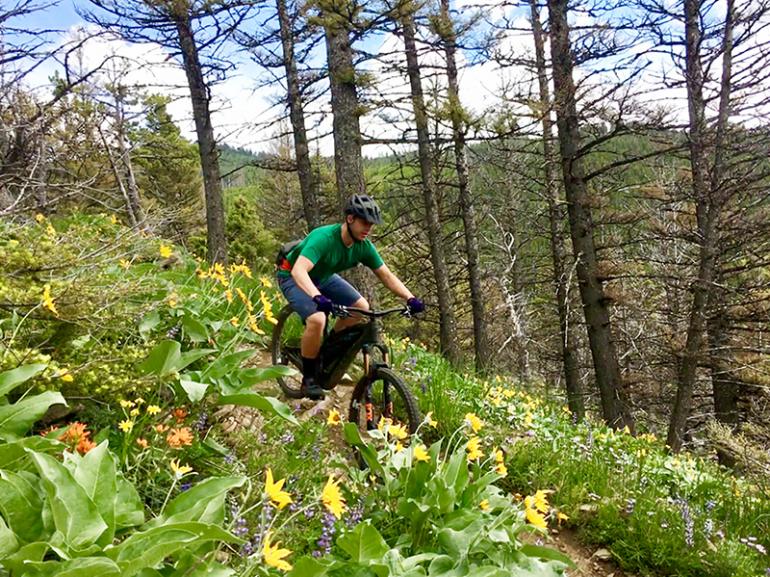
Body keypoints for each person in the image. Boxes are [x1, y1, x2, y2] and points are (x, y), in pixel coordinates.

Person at [276, 194, 424, 399]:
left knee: (361, 306)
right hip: (292, 275)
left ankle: (325, 351)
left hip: (323, 276)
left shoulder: (363, 246)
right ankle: (309, 378)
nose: (368, 228)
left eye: (372, 224)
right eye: (364, 222)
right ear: (350, 219)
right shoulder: (324, 238)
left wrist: (410, 298)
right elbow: (299, 271)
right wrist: (318, 298)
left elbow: (386, 275)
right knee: (318, 318)